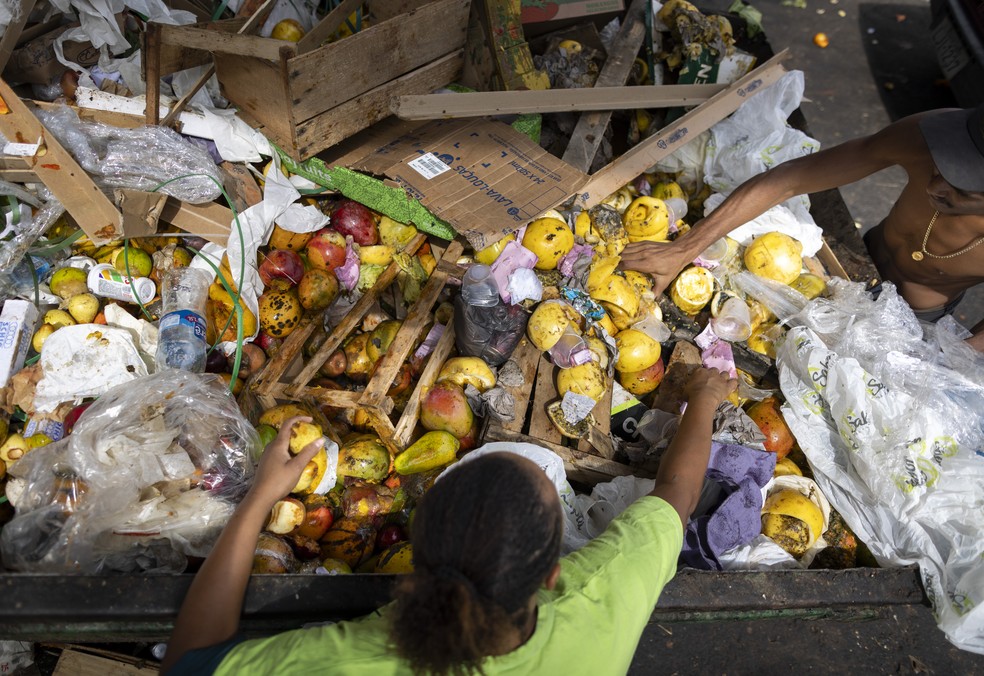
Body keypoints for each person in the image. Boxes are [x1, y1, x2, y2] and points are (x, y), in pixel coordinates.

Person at [160, 367, 737, 675]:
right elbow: (677, 492)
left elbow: (187, 661)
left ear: (412, 560)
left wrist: (260, 498)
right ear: (552, 574)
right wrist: (706, 397)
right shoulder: (602, 600)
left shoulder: (341, 661)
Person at [620, 104, 984, 352]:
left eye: (961, 188)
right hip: (860, 263)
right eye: (939, 168)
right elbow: (790, 179)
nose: (934, 186)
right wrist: (683, 248)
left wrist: (945, 364)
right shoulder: (928, 138)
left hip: (914, 316)